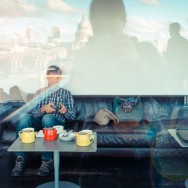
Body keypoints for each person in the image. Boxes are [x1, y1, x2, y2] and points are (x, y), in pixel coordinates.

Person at [11, 65, 76, 177]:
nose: (53, 80)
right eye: (50, 78)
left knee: (48, 118)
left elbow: (72, 116)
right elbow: (33, 113)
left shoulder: (66, 93)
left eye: (56, 78)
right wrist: (43, 109)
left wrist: (65, 111)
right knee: (25, 117)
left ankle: (47, 161)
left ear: (59, 78)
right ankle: (20, 159)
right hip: (39, 122)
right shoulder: (39, 92)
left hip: (57, 123)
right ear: (47, 78)